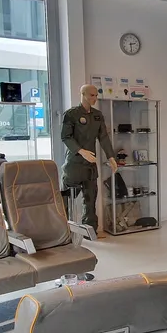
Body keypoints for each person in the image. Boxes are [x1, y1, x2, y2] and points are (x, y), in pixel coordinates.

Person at [61, 85, 117, 232]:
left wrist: (111, 156)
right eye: (91, 95)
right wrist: (80, 151)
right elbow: (66, 137)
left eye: (96, 95)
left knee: (91, 197)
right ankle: (62, 229)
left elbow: (103, 137)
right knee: (67, 198)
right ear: (82, 94)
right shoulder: (71, 114)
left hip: (90, 164)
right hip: (74, 162)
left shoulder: (97, 115)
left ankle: (91, 229)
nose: (94, 98)